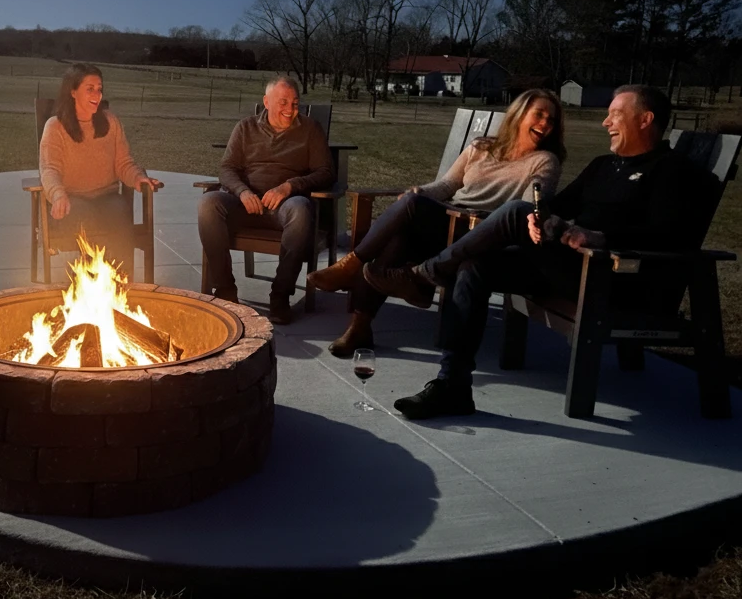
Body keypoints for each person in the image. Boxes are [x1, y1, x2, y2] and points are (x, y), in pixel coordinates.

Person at [368, 84, 715, 419]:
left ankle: (425, 274)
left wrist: (599, 236)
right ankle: (452, 385)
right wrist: (542, 219)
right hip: (567, 267)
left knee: (516, 210)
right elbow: (558, 206)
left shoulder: (673, 171)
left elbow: (669, 235)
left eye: (615, 115)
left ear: (645, 119)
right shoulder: (602, 166)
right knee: (477, 264)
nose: (605, 123)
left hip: (611, 278)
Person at [307, 89, 566, 357]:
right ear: (519, 114)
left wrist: (413, 204)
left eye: (551, 120)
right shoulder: (481, 147)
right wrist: (418, 192)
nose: (545, 123)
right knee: (400, 236)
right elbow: (447, 185)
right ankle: (360, 326)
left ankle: (353, 266)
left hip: (480, 231)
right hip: (447, 220)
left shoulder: (544, 161)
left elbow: (529, 204)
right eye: (539, 114)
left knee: (411, 208)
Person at [197, 76, 334, 325]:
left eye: (295, 103)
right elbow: (227, 169)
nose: (290, 110)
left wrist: (289, 186)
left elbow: (325, 172)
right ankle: (226, 290)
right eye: (283, 102)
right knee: (208, 204)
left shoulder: (310, 130)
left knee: (302, 210)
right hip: (245, 204)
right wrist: (242, 192)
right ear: (266, 102)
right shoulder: (245, 128)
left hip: (286, 207)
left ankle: (280, 296)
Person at [39, 64, 162, 274]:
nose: (97, 94)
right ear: (73, 91)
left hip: (107, 195)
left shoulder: (111, 123)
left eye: (99, 88)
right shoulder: (55, 127)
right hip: (73, 197)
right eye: (90, 88)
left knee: (119, 213)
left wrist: (138, 178)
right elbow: (50, 169)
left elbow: (123, 163)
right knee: (83, 216)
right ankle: (89, 288)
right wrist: (58, 195)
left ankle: (123, 284)